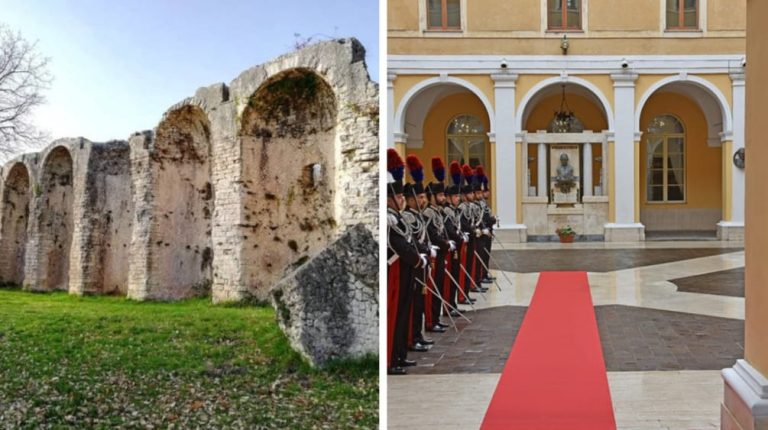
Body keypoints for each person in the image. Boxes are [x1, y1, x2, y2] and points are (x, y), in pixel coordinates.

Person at [386, 149, 425, 375]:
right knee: (397, 314)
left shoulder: (399, 217)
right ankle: (392, 358)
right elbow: (400, 244)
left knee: (405, 313)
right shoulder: (389, 219)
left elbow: (410, 238)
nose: (402, 200)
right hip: (398, 270)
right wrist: (416, 259)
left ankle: (400, 355)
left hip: (408, 269)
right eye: (399, 197)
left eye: (402, 197)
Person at [404, 155, 435, 352]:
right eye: (420, 197)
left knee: (420, 302)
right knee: (413, 304)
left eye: (424, 196)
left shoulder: (419, 216)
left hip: (421, 263)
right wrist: (423, 252)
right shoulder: (407, 217)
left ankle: (418, 334)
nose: (423, 200)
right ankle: (413, 336)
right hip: (414, 264)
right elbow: (411, 241)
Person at [423, 157, 454, 333]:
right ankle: (431, 320)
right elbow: (432, 234)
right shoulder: (428, 213)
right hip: (433, 256)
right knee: (433, 288)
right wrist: (443, 243)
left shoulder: (439, 212)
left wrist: (447, 242)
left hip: (441, 254)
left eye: (443, 195)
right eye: (440, 195)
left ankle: (436, 318)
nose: (443, 198)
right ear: (432, 197)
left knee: (440, 286)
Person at [475, 166, 497, 284]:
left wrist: (492, 220)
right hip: (481, 233)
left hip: (487, 231)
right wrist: (487, 223)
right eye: (485, 191)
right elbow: (481, 218)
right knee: (481, 256)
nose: (487, 192)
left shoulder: (483, 203)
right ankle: (480, 276)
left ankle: (484, 274)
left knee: (486, 254)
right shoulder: (477, 205)